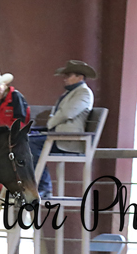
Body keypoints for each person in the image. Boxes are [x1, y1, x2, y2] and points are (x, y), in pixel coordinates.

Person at [29, 60, 96, 199]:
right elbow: (60, 114)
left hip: (69, 140)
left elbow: (67, 113)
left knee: (31, 144)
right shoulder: (70, 93)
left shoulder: (84, 93)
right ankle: (35, 185)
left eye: (68, 75)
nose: (65, 78)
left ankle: (43, 186)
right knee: (24, 141)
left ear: (80, 77)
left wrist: (50, 123)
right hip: (58, 136)